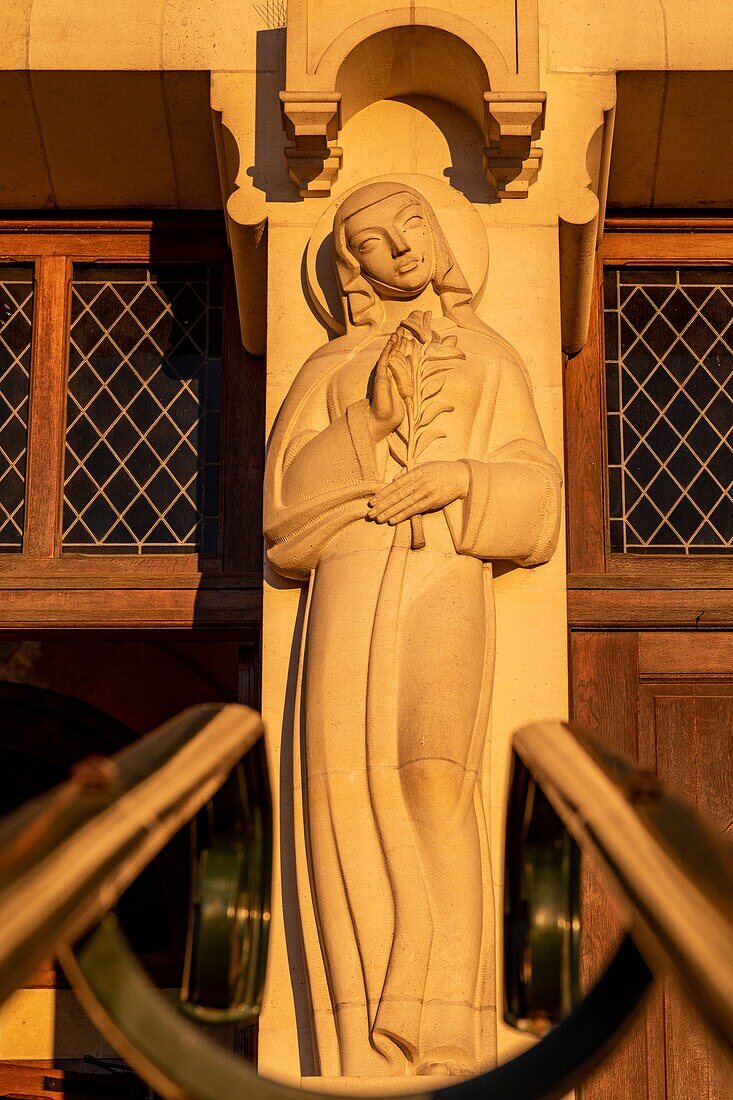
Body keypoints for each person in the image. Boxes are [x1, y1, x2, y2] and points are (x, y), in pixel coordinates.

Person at [264, 181, 562, 1077]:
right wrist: (371, 422)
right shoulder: (332, 367)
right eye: (371, 242)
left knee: (436, 778)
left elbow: (538, 499)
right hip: (352, 579)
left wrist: (462, 479)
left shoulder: (492, 358)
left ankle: (445, 1031)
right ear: (353, 269)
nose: (399, 248)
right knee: (349, 789)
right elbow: (282, 512)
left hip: (449, 571)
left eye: (410, 225)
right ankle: (368, 1043)